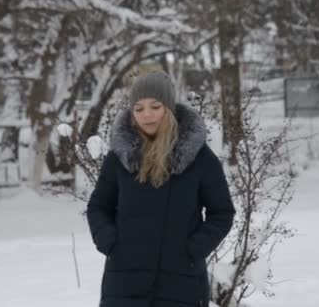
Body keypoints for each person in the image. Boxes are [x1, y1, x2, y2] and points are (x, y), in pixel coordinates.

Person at [87, 71, 235, 307]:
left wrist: (193, 250)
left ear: (169, 108)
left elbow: (222, 212)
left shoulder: (199, 158)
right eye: (139, 108)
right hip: (124, 281)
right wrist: (111, 243)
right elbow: (98, 207)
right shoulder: (119, 158)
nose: (147, 115)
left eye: (155, 107)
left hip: (181, 282)